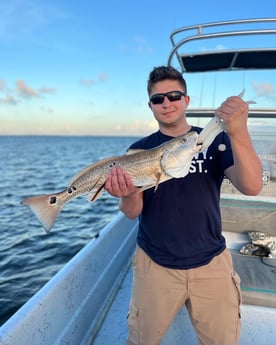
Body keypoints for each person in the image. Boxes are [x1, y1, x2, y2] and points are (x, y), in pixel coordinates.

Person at [105, 65, 263, 345]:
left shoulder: (212, 141)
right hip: (155, 264)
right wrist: (127, 193)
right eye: (158, 99)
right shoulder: (139, 150)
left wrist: (238, 132)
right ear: (150, 106)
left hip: (211, 263)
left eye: (174, 96)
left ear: (186, 100)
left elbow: (251, 186)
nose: (166, 103)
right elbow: (132, 213)